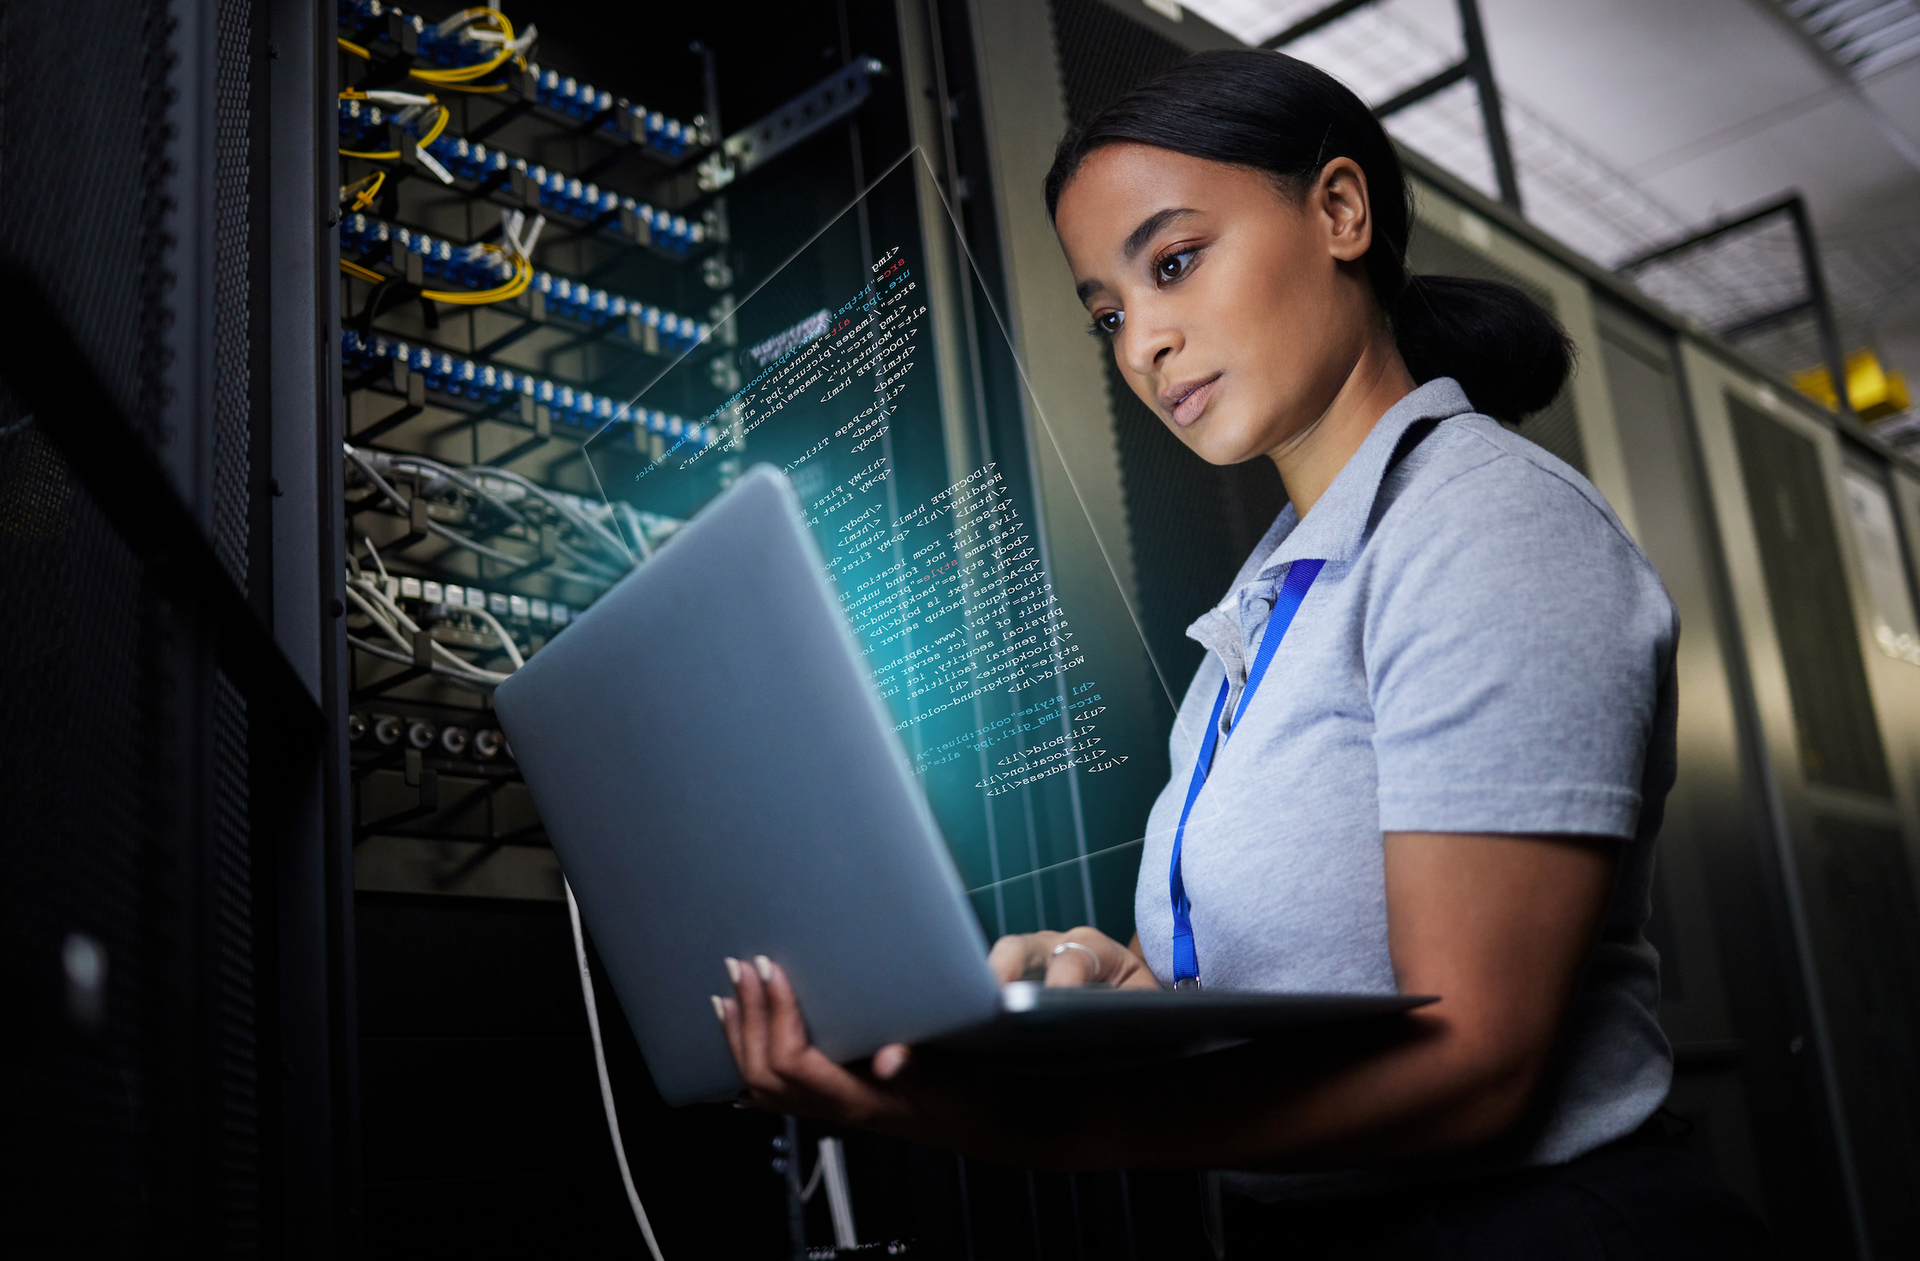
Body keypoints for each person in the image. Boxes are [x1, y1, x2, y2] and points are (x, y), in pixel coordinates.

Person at [714, 48, 1776, 1258]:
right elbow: (1322, 984)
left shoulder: (1490, 527)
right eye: (1109, 311)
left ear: (1339, 210)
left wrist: (1051, 1116)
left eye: (1174, 263)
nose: (1142, 344)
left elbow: (1479, 1064)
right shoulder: (1266, 610)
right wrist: (1130, 999)